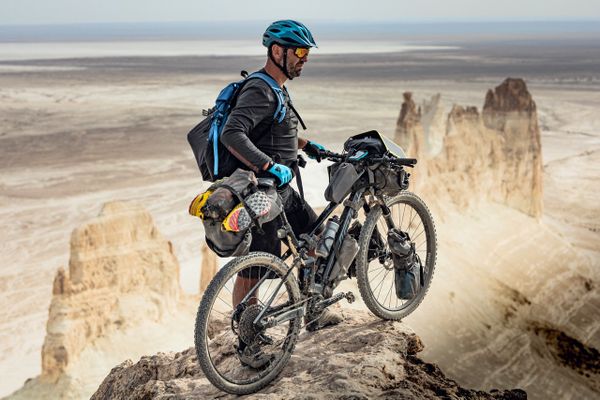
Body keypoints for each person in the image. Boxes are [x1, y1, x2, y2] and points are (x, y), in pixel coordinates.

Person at [220, 20, 343, 339]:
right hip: (262, 192)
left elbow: (272, 131)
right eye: (300, 51)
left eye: (307, 52)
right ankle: (248, 337)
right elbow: (231, 133)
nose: (306, 57)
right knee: (258, 262)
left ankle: (313, 311)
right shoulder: (260, 89)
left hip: (282, 191)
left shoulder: (275, 88)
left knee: (315, 240)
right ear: (277, 51)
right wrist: (269, 166)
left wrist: (305, 144)